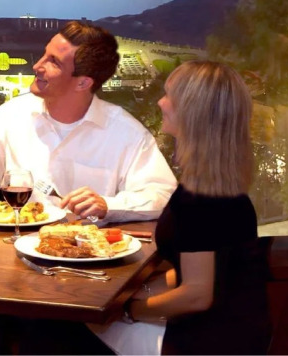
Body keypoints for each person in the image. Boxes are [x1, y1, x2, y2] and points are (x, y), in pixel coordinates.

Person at [89, 60, 271, 355]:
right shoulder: (224, 186)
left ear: (192, 113)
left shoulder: (199, 198)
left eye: (169, 96)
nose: (160, 102)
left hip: (208, 341)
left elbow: (197, 296)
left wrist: (130, 310)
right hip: (241, 329)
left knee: (65, 333)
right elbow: (207, 271)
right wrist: (136, 292)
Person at [0, 20, 176, 222]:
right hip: (18, 248)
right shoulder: (13, 114)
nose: (37, 66)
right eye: (44, 55)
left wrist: (108, 205)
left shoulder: (126, 132)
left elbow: (162, 194)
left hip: (92, 255)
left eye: (53, 62)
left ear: (83, 82)